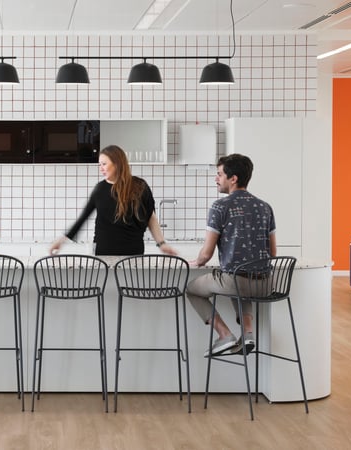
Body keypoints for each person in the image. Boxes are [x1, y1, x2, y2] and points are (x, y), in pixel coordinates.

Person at [186, 153, 276, 356]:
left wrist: (196, 262)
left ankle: (225, 335)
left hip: (236, 282)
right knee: (239, 276)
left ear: (233, 178)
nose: (216, 178)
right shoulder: (265, 207)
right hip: (266, 284)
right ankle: (248, 334)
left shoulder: (220, 206)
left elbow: (206, 254)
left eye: (219, 174)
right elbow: (272, 252)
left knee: (192, 289)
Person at [50, 145, 177, 256]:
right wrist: (61, 241)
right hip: (104, 252)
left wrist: (161, 243)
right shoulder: (100, 189)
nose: (101, 168)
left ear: (117, 163)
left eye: (104, 164)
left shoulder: (140, 186)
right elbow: (83, 218)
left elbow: (151, 218)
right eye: (99, 164)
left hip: (133, 251)